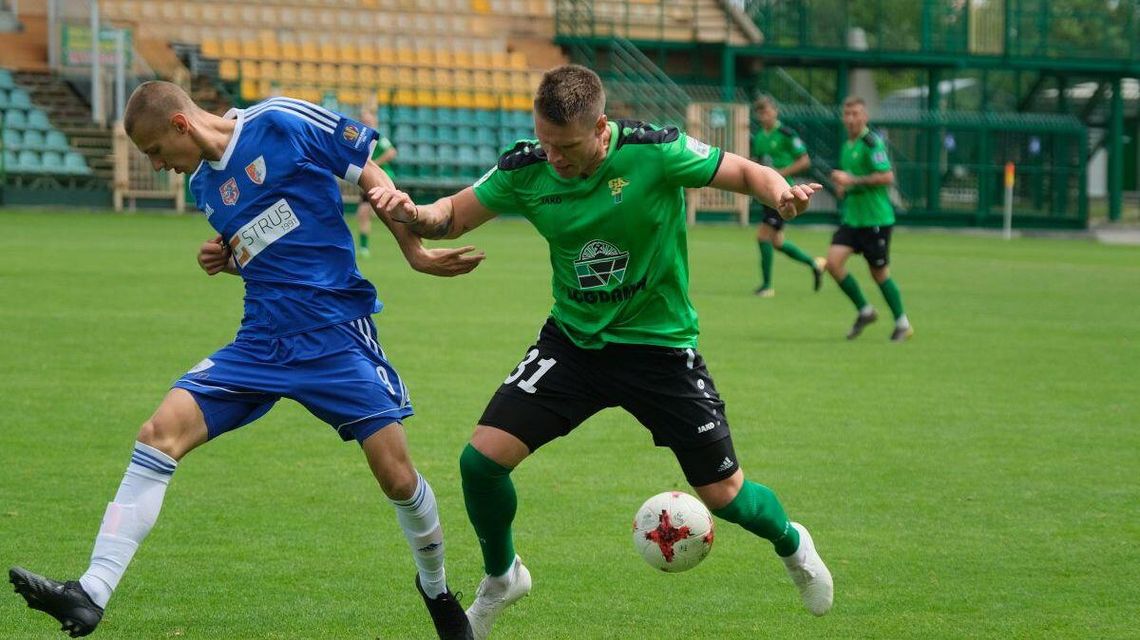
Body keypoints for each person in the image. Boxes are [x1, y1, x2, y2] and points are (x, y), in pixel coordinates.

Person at [368, 64, 835, 640]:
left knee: (726, 495)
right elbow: (450, 217)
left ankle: (792, 544)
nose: (553, 158)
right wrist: (410, 214)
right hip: (575, 345)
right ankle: (502, 576)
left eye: (565, 146)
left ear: (601, 129)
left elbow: (742, 169)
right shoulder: (526, 165)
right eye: (544, 141)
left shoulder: (654, 151)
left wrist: (781, 195)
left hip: (660, 350)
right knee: (480, 464)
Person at [7, 82, 484, 640]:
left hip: (333, 335)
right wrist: (229, 257)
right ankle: (91, 592)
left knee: (397, 478)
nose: (159, 167)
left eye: (157, 152)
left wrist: (416, 253)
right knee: (158, 433)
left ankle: (437, 591)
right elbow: (271, 242)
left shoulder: (279, 121)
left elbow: (368, 172)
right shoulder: (205, 186)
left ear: (181, 125)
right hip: (260, 341)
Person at [826, 96, 913, 341]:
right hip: (853, 219)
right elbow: (852, 179)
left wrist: (851, 180)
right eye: (847, 114)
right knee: (833, 263)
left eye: (855, 114)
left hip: (875, 219)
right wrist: (844, 187)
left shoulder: (871, 142)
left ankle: (902, 323)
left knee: (879, 274)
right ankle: (865, 310)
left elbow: (886, 177)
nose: (851, 119)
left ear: (865, 117)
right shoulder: (847, 146)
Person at [749, 96, 825, 297]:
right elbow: (757, 163)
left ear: (775, 111)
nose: (764, 116)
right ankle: (814, 264)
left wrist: (780, 173)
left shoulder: (786, 134)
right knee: (777, 242)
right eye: (760, 113)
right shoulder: (758, 137)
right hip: (766, 191)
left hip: (783, 192)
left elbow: (804, 161)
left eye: (767, 111)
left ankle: (767, 286)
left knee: (763, 236)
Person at [356, 106, 398, 259]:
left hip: (381, 179)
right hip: (369, 180)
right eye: (364, 121)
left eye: (369, 121)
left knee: (394, 214)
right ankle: (363, 246)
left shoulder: (377, 137)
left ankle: (416, 234)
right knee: (363, 213)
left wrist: (374, 164)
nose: (367, 123)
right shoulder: (360, 138)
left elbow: (392, 152)